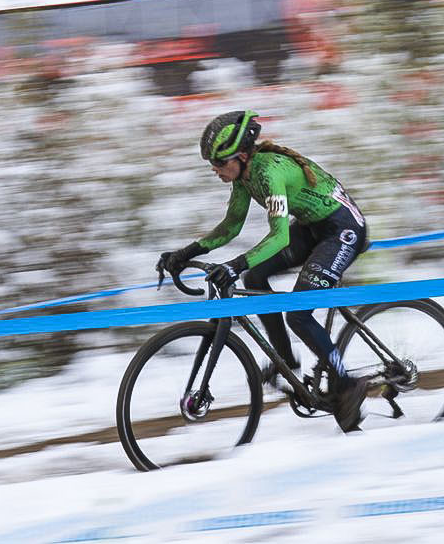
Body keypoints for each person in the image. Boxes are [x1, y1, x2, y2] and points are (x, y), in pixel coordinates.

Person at [157, 110, 371, 432]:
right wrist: (186, 253)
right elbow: (230, 227)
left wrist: (235, 263)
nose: (215, 171)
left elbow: (280, 236)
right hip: (314, 228)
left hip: (342, 230)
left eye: (219, 163)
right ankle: (286, 358)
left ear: (241, 156)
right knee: (254, 278)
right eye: (212, 165)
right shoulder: (245, 177)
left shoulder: (269, 172)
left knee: (298, 314)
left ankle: (347, 382)